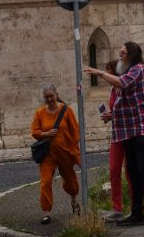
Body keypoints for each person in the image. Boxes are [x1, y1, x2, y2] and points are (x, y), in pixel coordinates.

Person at [85, 42, 144, 228]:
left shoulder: (139, 69)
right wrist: (111, 115)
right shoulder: (126, 73)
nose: (120, 54)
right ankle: (137, 214)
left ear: (131, 55)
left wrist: (100, 73)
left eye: (123, 52)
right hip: (127, 130)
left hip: (142, 127)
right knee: (133, 172)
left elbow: (123, 83)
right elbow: (123, 102)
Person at [31, 83, 81, 225]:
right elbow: (34, 131)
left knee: (71, 181)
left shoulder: (66, 110)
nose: (49, 99)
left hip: (65, 153)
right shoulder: (40, 112)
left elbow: (75, 131)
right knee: (45, 182)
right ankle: (46, 212)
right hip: (47, 155)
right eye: (46, 97)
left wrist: (75, 149)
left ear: (56, 95)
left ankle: (74, 201)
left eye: (51, 96)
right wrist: (45, 133)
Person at [101, 59, 133, 222]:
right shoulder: (113, 90)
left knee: (130, 171)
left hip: (128, 134)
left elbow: (128, 110)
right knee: (114, 170)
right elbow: (116, 111)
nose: (106, 75)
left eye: (108, 71)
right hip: (116, 134)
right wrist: (109, 116)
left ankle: (136, 207)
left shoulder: (123, 87)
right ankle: (117, 208)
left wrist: (113, 115)